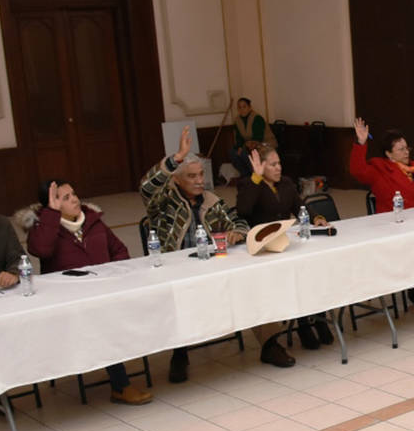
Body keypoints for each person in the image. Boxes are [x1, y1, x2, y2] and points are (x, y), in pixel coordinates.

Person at [140, 127, 295, 380]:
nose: (199, 180)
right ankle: (179, 353)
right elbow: (146, 187)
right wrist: (176, 158)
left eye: (201, 174)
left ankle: (269, 344)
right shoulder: (163, 202)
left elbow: (239, 219)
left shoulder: (212, 201)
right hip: (177, 270)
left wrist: (237, 231)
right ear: (177, 179)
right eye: (192, 176)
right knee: (178, 296)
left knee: (249, 283)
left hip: (212, 266)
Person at [16, 180, 152, 405]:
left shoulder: (92, 220)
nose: (75, 200)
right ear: (51, 204)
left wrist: (114, 275)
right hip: (70, 299)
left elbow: (119, 250)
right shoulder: (43, 228)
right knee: (103, 321)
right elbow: (41, 249)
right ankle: (121, 386)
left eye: (73, 194)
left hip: (104, 291)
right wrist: (51, 214)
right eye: (65, 198)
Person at [237, 143, 334, 348]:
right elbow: (243, 210)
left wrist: (316, 217)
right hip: (264, 248)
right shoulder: (250, 184)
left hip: (285, 243)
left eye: (279, 163)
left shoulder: (286, 183)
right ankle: (303, 324)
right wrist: (256, 178)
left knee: (309, 271)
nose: (278, 168)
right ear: (261, 166)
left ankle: (319, 318)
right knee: (292, 278)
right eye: (273, 164)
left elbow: (299, 207)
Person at [349, 118, 414, 307]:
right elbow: (357, 170)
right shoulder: (379, 169)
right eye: (401, 149)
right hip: (395, 226)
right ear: (389, 154)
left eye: (407, 148)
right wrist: (361, 143)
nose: (406, 152)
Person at [230, 97, 275, 175]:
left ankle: (256, 175)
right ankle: (246, 175)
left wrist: (246, 145)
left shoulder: (257, 118)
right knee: (233, 152)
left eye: (244, 107)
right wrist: (239, 147)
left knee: (246, 153)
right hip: (249, 145)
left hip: (264, 144)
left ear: (250, 107)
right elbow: (239, 137)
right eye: (239, 107)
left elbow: (258, 137)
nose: (242, 109)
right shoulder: (237, 120)